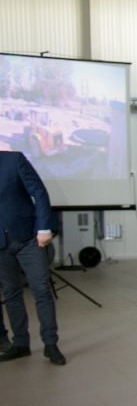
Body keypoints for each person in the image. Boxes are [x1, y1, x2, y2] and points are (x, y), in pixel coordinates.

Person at [0, 151, 65, 366]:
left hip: (29, 238)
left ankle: (50, 344)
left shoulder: (13, 160)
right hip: (1, 245)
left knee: (41, 290)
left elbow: (39, 192)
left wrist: (44, 227)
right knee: (11, 292)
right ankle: (20, 344)